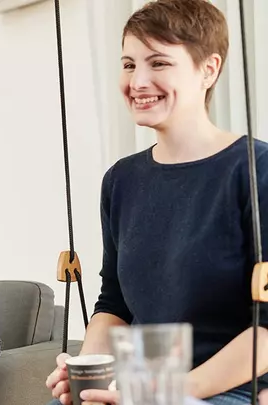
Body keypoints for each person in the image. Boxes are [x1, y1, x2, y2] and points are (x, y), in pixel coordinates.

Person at [45, 0, 268, 404]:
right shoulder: (121, 180)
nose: (138, 81)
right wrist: (87, 374)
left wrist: (170, 392)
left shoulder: (258, 171)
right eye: (129, 64)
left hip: (228, 391)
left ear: (209, 69)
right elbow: (114, 304)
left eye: (159, 63)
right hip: (140, 390)